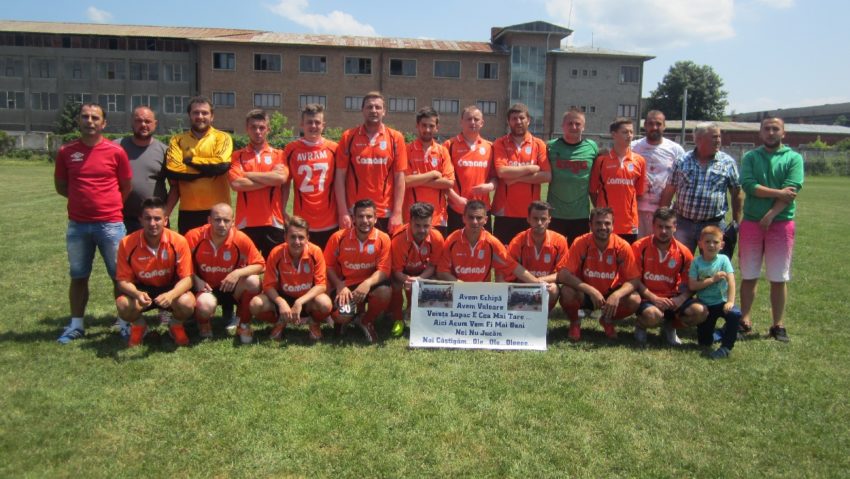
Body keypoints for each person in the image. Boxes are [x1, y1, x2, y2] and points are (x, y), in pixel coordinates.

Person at [54, 102, 132, 344]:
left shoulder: (115, 151)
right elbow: (61, 186)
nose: (90, 121)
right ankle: (76, 324)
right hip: (78, 225)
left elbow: (126, 186)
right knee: (78, 275)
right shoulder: (66, 152)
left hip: (110, 223)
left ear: (103, 123)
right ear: (79, 120)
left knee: (120, 277)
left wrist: (107, 205)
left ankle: (124, 321)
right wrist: (82, 202)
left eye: (95, 117)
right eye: (85, 117)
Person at [738, 117, 804, 342]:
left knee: (778, 277)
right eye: (766, 129)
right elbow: (748, 185)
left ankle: (778, 325)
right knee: (749, 275)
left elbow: (792, 189)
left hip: (781, 224)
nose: (771, 132)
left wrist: (771, 214)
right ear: (760, 133)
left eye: (775, 129)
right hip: (751, 223)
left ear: (783, 133)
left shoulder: (794, 158)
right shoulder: (750, 157)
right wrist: (778, 193)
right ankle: (744, 320)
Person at [114, 197, 195, 347]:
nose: (152, 223)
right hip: (142, 290)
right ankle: (139, 326)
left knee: (187, 303)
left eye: (157, 219)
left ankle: (175, 325)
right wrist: (137, 294)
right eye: (148, 218)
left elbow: (188, 278)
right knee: (123, 305)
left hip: (169, 288)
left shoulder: (178, 241)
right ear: (141, 220)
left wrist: (171, 295)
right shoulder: (126, 243)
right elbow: (122, 281)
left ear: (165, 220)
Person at [184, 203, 265, 343]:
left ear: (233, 222)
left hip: (231, 288)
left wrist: (238, 273)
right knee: (205, 304)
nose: (222, 224)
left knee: (254, 281)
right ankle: (203, 323)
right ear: (209, 220)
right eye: (217, 219)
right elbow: (181, 264)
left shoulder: (240, 238)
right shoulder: (193, 236)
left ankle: (243, 324)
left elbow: (260, 264)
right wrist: (195, 278)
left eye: (226, 220)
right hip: (205, 289)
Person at [557, 207, 641, 341]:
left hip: (609, 295)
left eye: (607, 223)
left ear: (613, 225)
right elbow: (563, 274)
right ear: (590, 225)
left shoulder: (622, 246)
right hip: (584, 293)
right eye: (598, 223)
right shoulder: (581, 242)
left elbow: (635, 279)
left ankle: (607, 319)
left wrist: (616, 295)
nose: (603, 227)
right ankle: (575, 321)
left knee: (635, 299)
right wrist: (590, 290)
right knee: (567, 291)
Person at [660, 122, 742, 252]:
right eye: (714, 137)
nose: (718, 140)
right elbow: (669, 191)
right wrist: (663, 219)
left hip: (713, 225)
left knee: (713, 267)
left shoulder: (728, 162)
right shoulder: (682, 161)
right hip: (683, 224)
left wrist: (736, 222)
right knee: (679, 262)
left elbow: (737, 193)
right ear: (698, 139)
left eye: (719, 136)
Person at [250, 216, 333, 342]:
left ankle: (313, 322)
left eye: (301, 237)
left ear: (307, 238)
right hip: (283, 297)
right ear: (285, 238)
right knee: (255, 304)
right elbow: (268, 286)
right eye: (293, 237)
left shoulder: (315, 252)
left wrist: (299, 302)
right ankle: (280, 321)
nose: (297, 241)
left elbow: (321, 285)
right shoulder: (276, 253)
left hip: (307, 300)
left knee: (325, 304)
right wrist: (281, 303)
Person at [335, 92, 408, 234]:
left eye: (377, 107)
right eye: (369, 107)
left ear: (384, 111)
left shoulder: (396, 138)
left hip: (385, 212)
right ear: (362, 110)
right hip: (355, 211)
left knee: (383, 254)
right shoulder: (348, 137)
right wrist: (343, 212)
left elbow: (400, 178)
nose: (373, 110)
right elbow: (340, 177)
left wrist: (397, 213)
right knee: (355, 254)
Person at [631, 207, 706, 346]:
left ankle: (671, 327)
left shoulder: (684, 252)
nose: (663, 231)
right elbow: (633, 280)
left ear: (675, 227)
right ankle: (641, 325)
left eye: (668, 227)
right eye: (660, 226)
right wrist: (654, 298)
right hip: (647, 298)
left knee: (700, 312)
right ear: (653, 226)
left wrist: (681, 298)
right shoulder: (639, 247)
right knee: (653, 316)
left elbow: (693, 283)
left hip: (673, 300)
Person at [324, 199, 392, 343]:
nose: (365, 221)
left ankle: (366, 320)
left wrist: (367, 283)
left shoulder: (383, 238)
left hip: (369, 286)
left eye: (369, 216)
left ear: (375, 218)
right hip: (345, 287)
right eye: (360, 216)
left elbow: (384, 270)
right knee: (343, 315)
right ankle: (345, 319)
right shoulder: (338, 237)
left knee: (385, 291)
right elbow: (328, 266)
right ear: (353, 218)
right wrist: (339, 285)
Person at [165, 96, 233, 234]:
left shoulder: (223, 137)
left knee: (218, 253)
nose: (200, 116)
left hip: (219, 211)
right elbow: (173, 169)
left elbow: (221, 165)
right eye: (196, 112)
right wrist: (208, 171)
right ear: (189, 115)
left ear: (212, 116)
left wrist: (190, 159)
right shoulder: (177, 140)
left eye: (205, 113)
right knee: (189, 254)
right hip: (188, 211)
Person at [228, 109, 288, 257]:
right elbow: (236, 184)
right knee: (247, 271)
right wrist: (270, 179)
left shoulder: (279, 155)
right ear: (247, 129)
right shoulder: (237, 156)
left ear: (268, 129)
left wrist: (248, 174)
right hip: (246, 223)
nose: (258, 131)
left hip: (273, 221)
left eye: (262, 127)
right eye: (253, 127)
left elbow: (280, 179)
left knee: (274, 270)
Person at [436, 200, 541, 284]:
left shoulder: (491, 242)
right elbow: (441, 272)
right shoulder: (452, 240)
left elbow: (513, 266)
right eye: (471, 217)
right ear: (463, 218)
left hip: (483, 295)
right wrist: (462, 286)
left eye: (479, 218)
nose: (475, 221)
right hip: (458, 291)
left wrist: (537, 282)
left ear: (486, 220)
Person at [281, 103, 339, 250]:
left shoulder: (334, 149)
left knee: (327, 265)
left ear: (323, 125)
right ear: (302, 124)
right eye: (309, 122)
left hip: (330, 219)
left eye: (317, 122)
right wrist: (281, 210)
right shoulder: (291, 149)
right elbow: (285, 184)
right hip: (302, 220)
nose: (313, 126)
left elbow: (341, 182)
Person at [491, 103, 551, 245]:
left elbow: (547, 176)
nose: (518, 121)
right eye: (514, 118)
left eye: (521, 118)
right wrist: (532, 168)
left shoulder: (539, 144)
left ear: (528, 120)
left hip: (530, 213)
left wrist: (514, 178)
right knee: (503, 258)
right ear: (508, 121)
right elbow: (502, 172)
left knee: (527, 256)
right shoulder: (499, 143)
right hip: (505, 212)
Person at [503, 201, 571, 313]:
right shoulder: (518, 241)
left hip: (546, 284)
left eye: (543, 219)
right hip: (522, 285)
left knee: (553, 289)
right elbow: (509, 269)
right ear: (528, 219)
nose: (539, 223)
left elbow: (562, 273)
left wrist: (539, 281)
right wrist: (533, 282)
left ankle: (544, 316)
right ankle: (523, 314)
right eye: (535, 218)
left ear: (549, 219)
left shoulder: (560, 241)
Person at [389, 202, 445, 337]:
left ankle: (423, 316)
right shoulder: (398, 239)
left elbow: (432, 266)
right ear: (410, 222)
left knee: (437, 282)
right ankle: (398, 319)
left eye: (426, 226)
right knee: (395, 284)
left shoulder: (437, 237)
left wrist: (419, 280)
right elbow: (396, 271)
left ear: (432, 223)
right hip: (403, 273)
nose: (422, 230)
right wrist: (409, 280)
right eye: (417, 225)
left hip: (424, 273)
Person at [589, 117, 646, 244]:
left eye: (631, 132)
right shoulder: (601, 161)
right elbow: (593, 191)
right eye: (625, 132)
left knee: (626, 260)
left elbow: (639, 193)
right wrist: (602, 211)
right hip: (605, 223)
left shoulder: (639, 161)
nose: (629, 135)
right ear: (614, 135)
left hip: (629, 224)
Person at [688, 226, 742, 359]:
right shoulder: (696, 262)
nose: (711, 245)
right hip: (705, 305)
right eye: (707, 242)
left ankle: (726, 348)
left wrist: (730, 301)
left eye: (715, 242)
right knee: (705, 342)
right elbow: (692, 285)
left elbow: (731, 281)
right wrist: (712, 279)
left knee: (734, 314)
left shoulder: (723, 260)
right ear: (700, 244)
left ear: (722, 245)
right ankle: (720, 332)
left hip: (722, 302)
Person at [546, 109, 598, 245]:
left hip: (580, 215)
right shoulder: (550, 147)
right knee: (555, 255)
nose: (574, 127)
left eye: (578, 124)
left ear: (584, 126)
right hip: (555, 214)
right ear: (562, 125)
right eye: (570, 123)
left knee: (579, 256)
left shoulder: (592, 147)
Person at [117, 106, 171, 234]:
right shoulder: (116, 147)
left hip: (154, 220)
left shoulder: (165, 151)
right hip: (122, 218)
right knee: (124, 253)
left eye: (147, 121)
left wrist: (165, 213)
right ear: (131, 122)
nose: (143, 125)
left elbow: (175, 186)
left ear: (155, 124)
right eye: (138, 121)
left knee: (156, 254)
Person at [631, 110, 685, 238]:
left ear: (664, 126)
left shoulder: (675, 150)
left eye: (658, 124)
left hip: (663, 211)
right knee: (637, 250)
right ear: (645, 125)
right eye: (650, 123)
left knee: (659, 248)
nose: (654, 127)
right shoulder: (633, 147)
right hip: (636, 210)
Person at [444, 105, 497, 234]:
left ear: (482, 123)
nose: (472, 122)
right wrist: (456, 199)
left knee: (483, 248)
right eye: (468, 119)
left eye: (476, 119)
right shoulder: (449, 145)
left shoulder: (490, 147)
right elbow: (442, 180)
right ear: (461, 122)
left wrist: (490, 186)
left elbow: (495, 177)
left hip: (482, 210)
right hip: (457, 208)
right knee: (455, 248)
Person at [403, 106, 455, 237]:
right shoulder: (406, 150)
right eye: (423, 125)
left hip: (437, 217)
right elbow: (405, 182)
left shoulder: (442, 151)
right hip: (412, 216)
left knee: (436, 256)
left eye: (431, 126)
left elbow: (449, 182)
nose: (427, 129)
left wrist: (417, 179)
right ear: (417, 126)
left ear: (437, 127)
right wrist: (432, 175)